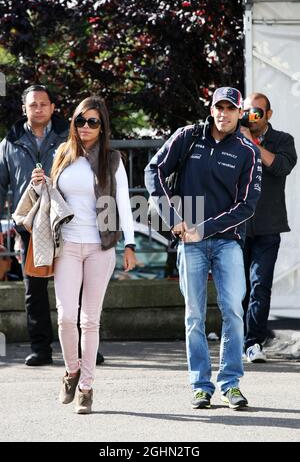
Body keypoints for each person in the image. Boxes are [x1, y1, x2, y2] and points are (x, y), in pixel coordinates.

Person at [145, 87, 261, 410]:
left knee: (234, 312)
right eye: (218, 107)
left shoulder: (248, 152)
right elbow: (152, 171)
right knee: (194, 315)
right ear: (211, 110)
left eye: (230, 108)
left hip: (227, 242)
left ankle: (231, 384)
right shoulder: (188, 137)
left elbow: (247, 205)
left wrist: (204, 228)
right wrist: (174, 218)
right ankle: (200, 386)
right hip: (189, 244)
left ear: (240, 113)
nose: (223, 113)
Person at [32, 96, 136, 414]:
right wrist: (40, 186)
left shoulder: (112, 159)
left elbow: (123, 205)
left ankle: (86, 388)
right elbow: (53, 199)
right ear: (73, 123)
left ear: (102, 126)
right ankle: (71, 371)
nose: (86, 127)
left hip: (99, 247)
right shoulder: (63, 154)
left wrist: (129, 245)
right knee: (66, 317)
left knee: (90, 320)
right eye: (80, 120)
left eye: (93, 121)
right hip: (67, 246)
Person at [0, 84, 68, 365]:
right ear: (24, 109)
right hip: (29, 225)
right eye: (32, 105)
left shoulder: (70, 137)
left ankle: (82, 347)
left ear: (53, 107)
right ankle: (41, 348)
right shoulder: (9, 143)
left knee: (73, 286)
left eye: (43, 104)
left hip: (66, 222)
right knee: (34, 291)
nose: (38, 109)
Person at [240, 93, 297, 363]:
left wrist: (250, 143)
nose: (251, 116)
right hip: (236, 226)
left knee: (260, 285)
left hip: (267, 226)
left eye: (257, 112)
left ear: (268, 115)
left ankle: (253, 342)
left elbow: (281, 166)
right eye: (248, 111)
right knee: (237, 287)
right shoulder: (232, 138)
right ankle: (238, 338)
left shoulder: (283, 140)